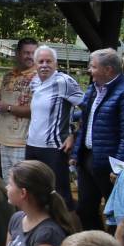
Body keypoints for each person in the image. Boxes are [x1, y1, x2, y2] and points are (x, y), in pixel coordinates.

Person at [70, 48, 124, 231]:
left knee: (114, 214)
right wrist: (75, 152)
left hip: (109, 164)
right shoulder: (94, 88)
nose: (89, 70)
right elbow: (85, 120)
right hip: (88, 157)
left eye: (93, 66)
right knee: (85, 209)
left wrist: (118, 167)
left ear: (108, 70)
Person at [24, 45, 85, 197]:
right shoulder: (34, 81)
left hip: (54, 148)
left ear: (56, 64)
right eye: (41, 61)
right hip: (32, 145)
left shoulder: (64, 82)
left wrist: (73, 134)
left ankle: (64, 221)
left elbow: (89, 109)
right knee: (33, 193)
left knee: (59, 196)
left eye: (48, 61)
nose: (44, 65)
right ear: (35, 64)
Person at [0, 38, 38, 180]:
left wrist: (8, 107)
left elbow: (36, 111)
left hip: (22, 142)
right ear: (18, 53)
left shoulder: (38, 78)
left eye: (33, 53)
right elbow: (6, 101)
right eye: (26, 52)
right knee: (9, 186)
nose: (30, 56)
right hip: (3, 138)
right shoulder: (7, 76)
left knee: (22, 186)